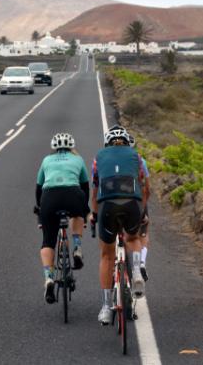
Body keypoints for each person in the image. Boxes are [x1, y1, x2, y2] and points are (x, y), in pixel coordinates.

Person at [90, 125, 148, 324]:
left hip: (107, 205)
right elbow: (144, 185)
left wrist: (94, 215)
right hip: (132, 203)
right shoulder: (136, 156)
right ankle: (137, 271)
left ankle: (106, 307)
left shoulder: (98, 157)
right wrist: (143, 211)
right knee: (132, 237)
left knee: (107, 255)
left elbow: (95, 189)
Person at [35, 133, 90, 304]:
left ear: (54, 147)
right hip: (73, 195)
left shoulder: (46, 160)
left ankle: (49, 278)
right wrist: (84, 210)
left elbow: (38, 188)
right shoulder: (78, 159)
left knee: (47, 242)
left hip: (49, 198)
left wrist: (40, 211)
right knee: (79, 214)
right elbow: (85, 187)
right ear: (72, 146)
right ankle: (77, 249)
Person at [128, 135, 151, 281]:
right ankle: (141, 262)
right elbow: (147, 188)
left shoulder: (112, 161)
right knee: (142, 233)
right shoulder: (141, 161)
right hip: (137, 203)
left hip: (115, 202)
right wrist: (143, 210)